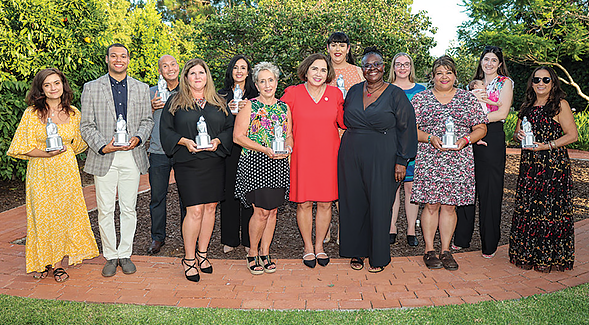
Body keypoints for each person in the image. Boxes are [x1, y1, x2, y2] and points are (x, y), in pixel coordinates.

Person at [7, 68, 99, 282]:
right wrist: (46, 153)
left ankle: (57, 265)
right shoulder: (31, 113)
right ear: (41, 89)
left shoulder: (74, 113)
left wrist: (62, 152)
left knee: (63, 217)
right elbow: (20, 147)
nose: (52, 88)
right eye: (47, 85)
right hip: (40, 171)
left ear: (63, 85)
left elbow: (80, 144)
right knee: (42, 216)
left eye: (56, 83)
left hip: (66, 172)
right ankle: (43, 262)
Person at [338, 47, 418, 273]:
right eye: (367, 65)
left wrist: (402, 160)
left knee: (380, 205)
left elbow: (407, 128)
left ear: (384, 67)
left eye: (376, 64)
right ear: (362, 69)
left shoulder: (395, 94)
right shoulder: (353, 91)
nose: (372, 68)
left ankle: (378, 255)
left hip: (384, 155)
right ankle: (356, 251)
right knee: (353, 203)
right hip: (351, 154)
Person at [80, 43, 154, 277]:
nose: (118, 60)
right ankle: (110, 256)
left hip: (132, 156)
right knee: (104, 210)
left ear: (129, 60)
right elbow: (86, 125)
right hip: (105, 156)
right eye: (114, 56)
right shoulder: (92, 88)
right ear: (107, 59)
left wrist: (138, 138)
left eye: (123, 56)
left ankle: (125, 254)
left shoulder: (141, 88)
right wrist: (103, 145)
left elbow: (147, 121)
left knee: (129, 208)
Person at [411, 55, 487, 271]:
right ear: (432, 76)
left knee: (450, 206)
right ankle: (429, 250)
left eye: (448, 72)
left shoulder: (467, 99)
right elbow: (409, 129)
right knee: (431, 204)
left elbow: (481, 127)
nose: (444, 77)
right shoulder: (420, 99)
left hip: (458, 160)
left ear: (455, 76)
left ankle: (446, 251)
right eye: (439, 73)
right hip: (430, 159)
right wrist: (429, 138)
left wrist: (466, 140)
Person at [160, 58, 234, 282]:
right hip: (188, 162)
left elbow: (230, 127)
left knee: (210, 208)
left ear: (207, 76)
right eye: (193, 73)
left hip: (213, 161)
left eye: (201, 72)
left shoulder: (219, 102)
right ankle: (189, 259)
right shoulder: (174, 102)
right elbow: (165, 131)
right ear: (186, 78)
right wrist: (184, 141)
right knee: (194, 210)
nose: (197, 77)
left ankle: (203, 254)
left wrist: (219, 141)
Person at [509, 67, 577, 273]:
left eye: (545, 80)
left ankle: (548, 257)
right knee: (530, 208)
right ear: (531, 82)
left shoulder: (559, 105)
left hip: (553, 166)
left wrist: (547, 145)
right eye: (536, 79)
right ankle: (527, 254)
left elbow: (572, 135)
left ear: (553, 83)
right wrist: (518, 135)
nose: (540, 83)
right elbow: (516, 133)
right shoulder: (527, 106)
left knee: (549, 208)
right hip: (530, 166)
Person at [281, 53, 344, 268]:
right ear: (306, 70)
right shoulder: (292, 93)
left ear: (329, 74)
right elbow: (277, 118)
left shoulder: (336, 94)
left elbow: (345, 122)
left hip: (329, 156)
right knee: (305, 203)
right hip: (302, 156)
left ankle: (320, 246)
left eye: (323, 70)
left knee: (326, 203)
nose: (319, 74)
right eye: (315, 69)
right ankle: (307, 246)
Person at [454, 46, 513, 259]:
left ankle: (489, 243)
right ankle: (462, 238)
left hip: (492, 134)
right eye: (485, 59)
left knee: (490, 190)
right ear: (481, 62)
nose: (489, 63)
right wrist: (471, 129)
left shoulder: (504, 83)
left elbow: (502, 112)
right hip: (470, 135)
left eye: (493, 60)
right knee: (467, 186)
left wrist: (477, 122)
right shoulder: (472, 85)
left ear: (499, 63)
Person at [234, 62, 292, 275]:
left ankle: (266, 253)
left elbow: (288, 134)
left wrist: (288, 147)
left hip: (278, 164)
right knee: (260, 211)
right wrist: (265, 149)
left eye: (271, 80)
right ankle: (252, 253)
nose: (267, 85)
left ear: (277, 82)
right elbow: (238, 137)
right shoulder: (249, 106)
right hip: (256, 163)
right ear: (256, 85)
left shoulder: (284, 107)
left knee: (273, 211)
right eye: (262, 81)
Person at [325, 31, 364, 245]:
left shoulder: (358, 72)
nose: (337, 49)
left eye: (342, 45)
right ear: (328, 48)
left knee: (346, 184)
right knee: (326, 183)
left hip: (351, 135)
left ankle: (344, 227)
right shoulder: (321, 70)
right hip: (325, 135)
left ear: (348, 49)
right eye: (333, 45)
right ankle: (326, 226)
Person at [218, 55, 259, 254]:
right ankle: (229, 239)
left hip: (250, 149)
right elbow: (214, 121)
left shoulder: (255, 94)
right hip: (228, 149)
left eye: (243, 67)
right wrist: (228, 110)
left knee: (249, 193)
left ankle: (249, 240)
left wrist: (247, 110)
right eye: (236, 67)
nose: (239, 71)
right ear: (231, 71)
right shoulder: (220, 94)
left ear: (249, 72)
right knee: (229, 193)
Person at [387, 52, 426, 247]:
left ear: (411, 67)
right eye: (398, 64)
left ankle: (411, 229)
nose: (402, 68)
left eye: (406, 64)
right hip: (391, 144)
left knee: (411, 187)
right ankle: (391, 227)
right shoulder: (386, 89)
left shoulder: (421, 90)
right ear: (393, 68)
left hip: (413, 144)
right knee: (393, 187)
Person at [146, 54, 183, 255]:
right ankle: (157, 238)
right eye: (164, 66)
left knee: (187, 197)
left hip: (182, 150)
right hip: (158, 151)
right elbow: (140, 119)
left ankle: (189, 236)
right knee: (157, 197)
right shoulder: (152, 93)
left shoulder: (187, 90)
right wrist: (151, 108)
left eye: (173, 64)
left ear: (178, 67)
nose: (170, 68)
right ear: (160, 71)